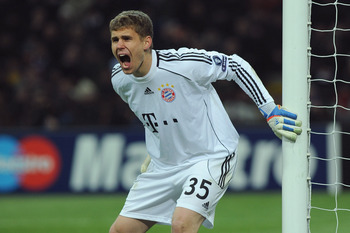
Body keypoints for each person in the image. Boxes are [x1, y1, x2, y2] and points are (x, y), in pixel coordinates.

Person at [108, 10, 302, 233]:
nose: (119, 45)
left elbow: (236, 66)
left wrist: (270, 110)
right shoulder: (119, 80)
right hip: (164, 166)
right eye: (115, 39)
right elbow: (150, 109)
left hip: (210, 156)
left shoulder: (182, 63)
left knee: (181, 225)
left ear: (146, 42)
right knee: (120, 231)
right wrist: (157, 145)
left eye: (127, 38)